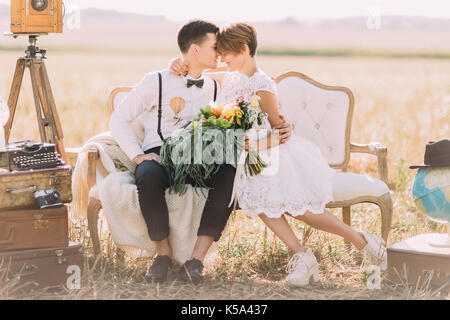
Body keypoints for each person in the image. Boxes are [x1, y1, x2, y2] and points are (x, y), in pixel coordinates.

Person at [170, 22, 387, 287]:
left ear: (245, 49)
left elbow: (280, 131)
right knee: (262, 200)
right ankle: (302, 256)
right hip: (245, 159)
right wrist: (178, 64)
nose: (222, 59)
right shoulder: (230, 75)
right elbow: (198, 75)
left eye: (227, 53)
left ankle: (361, 241)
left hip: (271, 153)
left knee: (302, 210)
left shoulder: (262, 85)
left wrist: (257, 146)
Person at [109, 20, 292, 285]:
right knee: (147, 173)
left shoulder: (217, 86)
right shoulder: (155, 81)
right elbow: (118, 119)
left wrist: (279, 129)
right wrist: (138, 156)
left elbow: (251, 92)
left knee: (229, 173)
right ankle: (162, 254)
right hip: (160, 154)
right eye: (214, 47)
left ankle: (196, 260)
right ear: (194, 50)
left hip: (199, 158)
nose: (220, 53)